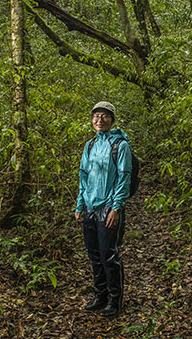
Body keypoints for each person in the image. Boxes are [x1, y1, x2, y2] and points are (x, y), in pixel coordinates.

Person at [75, 101, 132, 318]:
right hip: (90, 207)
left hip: (109, 207)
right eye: (96, 116)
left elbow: (124, 177)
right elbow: (84, 176)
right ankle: (99, 296)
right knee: (94, 255)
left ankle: (114, 300)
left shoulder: (121, 145)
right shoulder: (89, 145)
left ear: (112, 119)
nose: (100, 119)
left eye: (104, 116)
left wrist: (116, 208)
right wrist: (80, 204)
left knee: (109, 255)